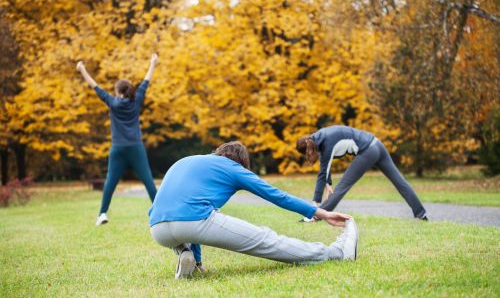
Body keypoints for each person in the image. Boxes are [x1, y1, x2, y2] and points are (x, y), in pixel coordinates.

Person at [149, 141, 359, 279]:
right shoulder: (232, 167)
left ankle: (188, 257)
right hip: (193, 220)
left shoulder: (186, 161)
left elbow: (177, 203)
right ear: (241, 163)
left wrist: (198, 259)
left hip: (157, 229)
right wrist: (322, 212)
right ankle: (337, 253)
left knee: (188, 219)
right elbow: (277, 196)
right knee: (267, 240)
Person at [77, 54, 159, 226]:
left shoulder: (112, 102)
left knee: (111, 181)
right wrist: (152, 63)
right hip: (135, 147)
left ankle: (102, 214)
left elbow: (95, 86)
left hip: (118, 148)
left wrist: (82, 69)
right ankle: (160, 211)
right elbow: (146, 80)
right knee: (148, 180)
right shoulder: (136, 100)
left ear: (117, 92)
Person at [296, 125, 427, 222]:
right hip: (377, 144)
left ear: (309, 149)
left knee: (341, 187)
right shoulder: (321, 135)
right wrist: (328, 183)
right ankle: (421, 214)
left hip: (367, 151)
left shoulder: (326, 144)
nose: (312, 156)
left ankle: (315, 217)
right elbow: (326, 166)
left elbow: (322, 172)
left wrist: (315, 203)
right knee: (400, 182)